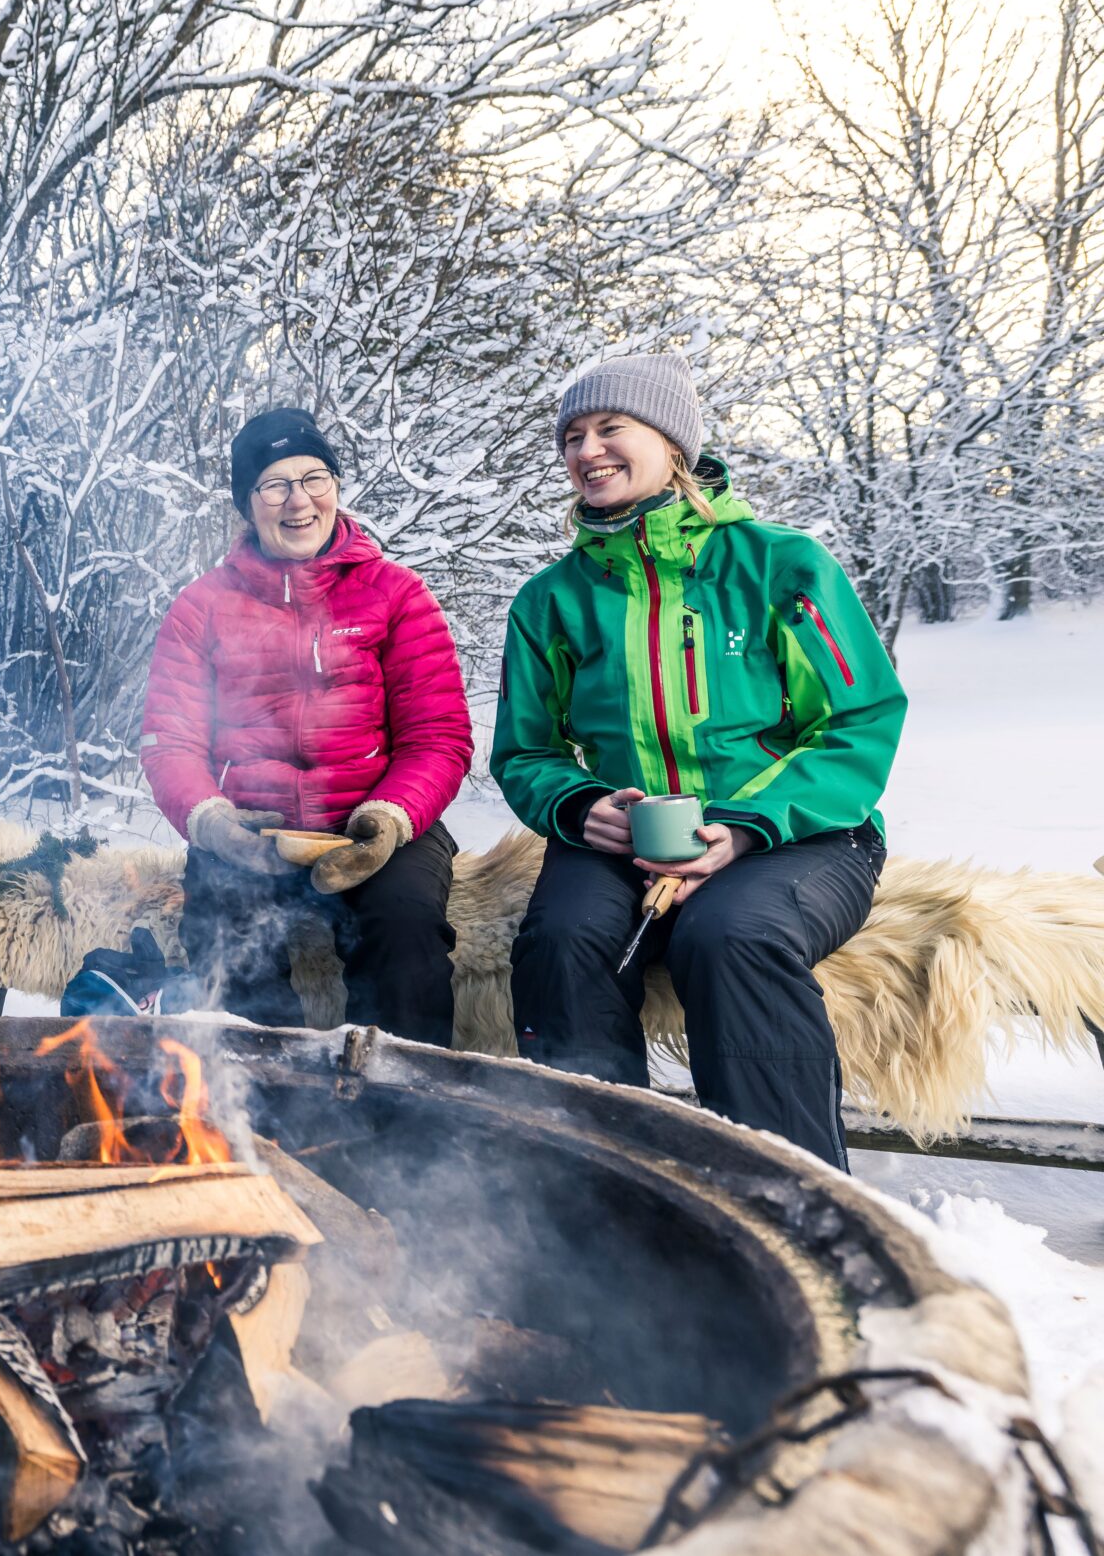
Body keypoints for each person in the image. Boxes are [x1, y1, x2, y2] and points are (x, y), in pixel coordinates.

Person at [495, 353, 905, 1168]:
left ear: (673, 443)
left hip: (798, 836)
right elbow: (526, 750)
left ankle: (788, 1203)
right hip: (625, 840)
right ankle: (595, 1201)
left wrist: (748, 825)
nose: (587, 449)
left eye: (611, 427)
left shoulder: (780, 567)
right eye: (573, 435)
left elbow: (860, 721)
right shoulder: (552, 599)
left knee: (729, 937)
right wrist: (580, 807)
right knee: (562, 940)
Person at [139, 407, 474, 1042]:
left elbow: (440, 738)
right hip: (252, 828)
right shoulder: (201, 608)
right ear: (247, 503)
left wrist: (391, 817)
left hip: (373, 825)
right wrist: (212, 820)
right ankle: (257, 1117)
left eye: (315, 477)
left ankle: (403, 1122)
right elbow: (170, 741)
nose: (300, 500)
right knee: (227, 951)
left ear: (337, 487)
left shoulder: (396, 595)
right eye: (274, 484)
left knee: (406, 936)